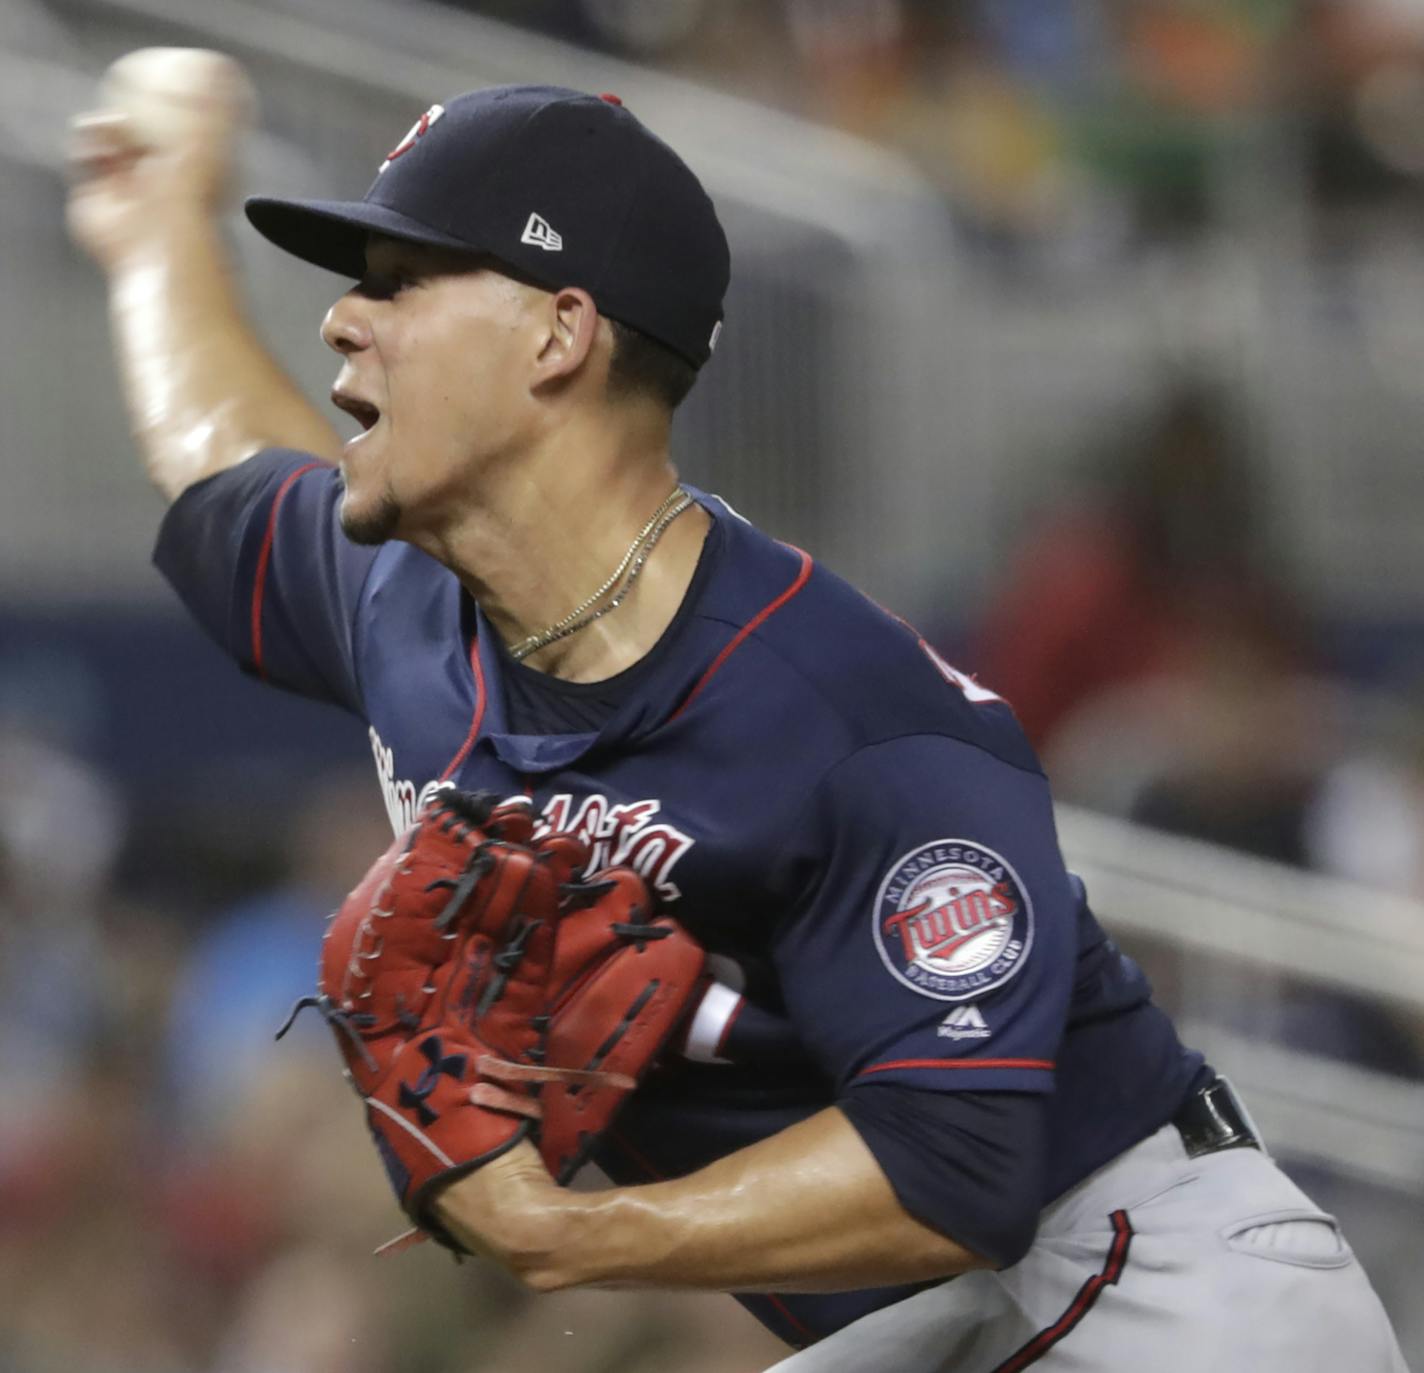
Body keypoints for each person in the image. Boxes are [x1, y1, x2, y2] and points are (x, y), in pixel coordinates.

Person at [68, 65, 1407, 1373]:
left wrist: (563, 1231)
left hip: (1151, 1286)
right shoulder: (408, 604)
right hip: (939, 1317)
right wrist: (156, 230)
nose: (344, 321)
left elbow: (956, 1172)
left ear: (559, 332)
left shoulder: (845, 710)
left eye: (401, 281)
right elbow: (218, 458)